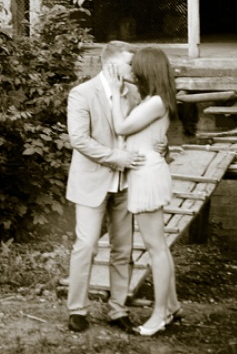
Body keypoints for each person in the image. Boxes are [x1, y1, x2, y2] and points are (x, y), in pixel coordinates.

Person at [65, 40, 148, 335]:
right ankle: (77, 309)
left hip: (126, 183)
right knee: (86, 246)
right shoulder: (82, 93)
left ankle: (118, 310)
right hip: (91, 182)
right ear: (111, 64)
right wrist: (116, 157)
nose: (135, 69)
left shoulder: (134, 93)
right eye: (129, 64)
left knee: (123, 250)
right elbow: (79, 139)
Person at [108, 45, 180, 337]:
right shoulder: (153, 99)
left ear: (147, 70)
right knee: (159, 245)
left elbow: (121, 127)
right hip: (145, 170)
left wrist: (115, 93)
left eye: (136, 66)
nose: (132, 71)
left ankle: (160, 314)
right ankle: (172, 305)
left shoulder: (156, 102)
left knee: (156, 248)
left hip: (147, 174)